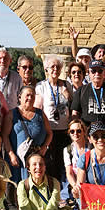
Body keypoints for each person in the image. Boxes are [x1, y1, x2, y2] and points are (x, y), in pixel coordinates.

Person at [5, 153, 74, 210]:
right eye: (34, 164)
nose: (38, 167)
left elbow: (52, 206)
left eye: (41, 164)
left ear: (45, 167)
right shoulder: (22, 185)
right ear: (28, 168)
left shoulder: (54, 182)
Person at [34, 55, 73, 186]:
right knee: (51, 163)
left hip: (65, 131)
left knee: (65, 163)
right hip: (49, 131)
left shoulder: (67, 84)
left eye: (58, 67)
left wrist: (68, 96)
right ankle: (52, 190)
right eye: (52, 67)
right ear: (46, 69)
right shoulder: (41, 86)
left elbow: (73, 106)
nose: (55, 69)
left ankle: (65, 193)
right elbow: (38, 109)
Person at [71, 59, 105, 146]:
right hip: (87, 136)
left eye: (100, 71)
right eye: (93, 71)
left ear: (104, 72)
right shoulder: (81, 90)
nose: (97, 74)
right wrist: (77, 133)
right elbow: (75, 114)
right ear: (88, 73)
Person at [9, 86, 52, 182]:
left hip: (37, 159)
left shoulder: (40, 114)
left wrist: (45, 147)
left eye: (32, 96)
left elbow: (49, 133)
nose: (30, 98)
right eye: (27, 95)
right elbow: (4, 136)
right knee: (18, 185)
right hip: (19, 159)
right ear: (20, 97)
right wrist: (11, 154)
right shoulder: (11, 114)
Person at [63, 118, 90, 208]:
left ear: (84, 132)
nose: (75, 134)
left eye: (78, 131)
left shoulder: (90, 148)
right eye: (72, 131)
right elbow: (69, 173)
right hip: (75, 183)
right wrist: (75, 186)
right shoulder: (68, 150)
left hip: (89, 183)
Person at [0, 47, 23, 112]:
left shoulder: (17, 78)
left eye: (5, 58)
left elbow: (21, 101)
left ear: (10, 61)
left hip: (11, 118)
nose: (2, 61)